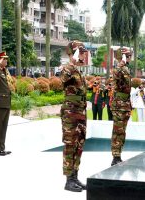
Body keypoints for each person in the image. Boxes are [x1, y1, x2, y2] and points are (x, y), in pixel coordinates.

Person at [60, 41, 88, 192]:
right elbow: (63, 79)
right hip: (70, 113)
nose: (83, 54)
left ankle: (75, 176)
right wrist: (73, 59)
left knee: (79, 145)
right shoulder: (67, 68)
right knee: (70, 145)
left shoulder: (77, 70)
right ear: (72, 53)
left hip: (80, 112)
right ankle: (68, 180)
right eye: (80, 52)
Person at [110, 47, 132, 166]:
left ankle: (118, 155)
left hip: (125, 104)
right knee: (118, 131)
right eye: (128, 56)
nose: (130, 58)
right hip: (119, 105)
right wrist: (121, 62)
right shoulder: (118, 68)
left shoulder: (126, 69)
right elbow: (116, 75)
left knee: (122, 131)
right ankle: (115, 156)